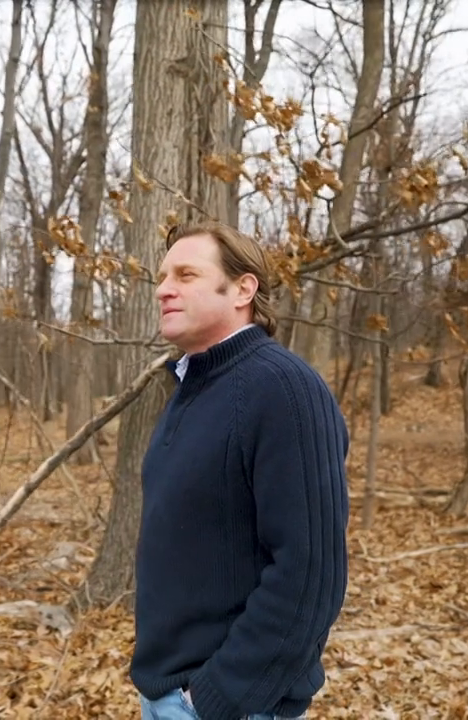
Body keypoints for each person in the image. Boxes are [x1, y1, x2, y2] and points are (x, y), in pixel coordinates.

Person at [130, 220, 350, 720]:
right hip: (165, 692)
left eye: (186, 275)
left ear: (243, 290)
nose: (163, 290)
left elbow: (311, 573)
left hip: (227, 705)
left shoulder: (283, 388)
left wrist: (217, 697)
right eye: (162, 277)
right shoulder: (191, 389)